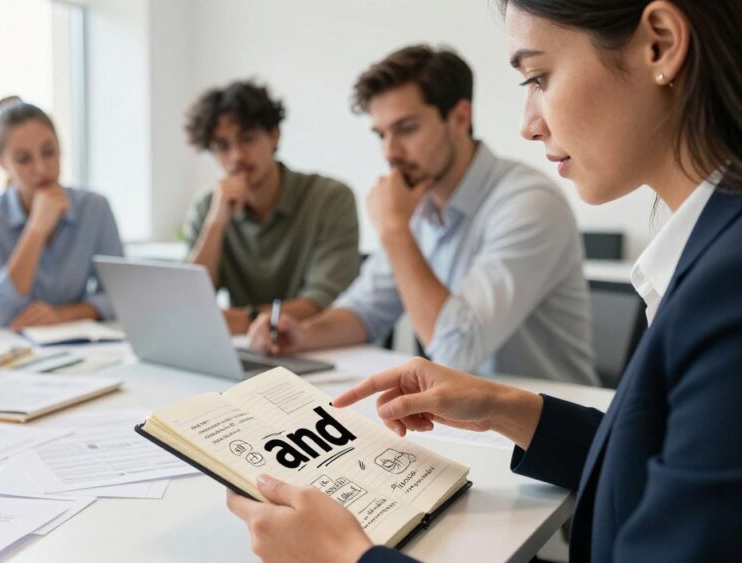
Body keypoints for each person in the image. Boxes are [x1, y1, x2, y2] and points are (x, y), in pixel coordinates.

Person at [228, 1, 742, 561]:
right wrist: (504, 406)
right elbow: (656, 446)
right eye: (381, 134)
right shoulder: (708, 245)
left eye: (539, 77)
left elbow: (453, 345)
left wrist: (347, 557)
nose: (527, 123)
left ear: (660, 45)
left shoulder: (720, 286)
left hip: (553, 515)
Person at [248, 45, 596, 385]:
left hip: (550, 425)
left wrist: (394, 228)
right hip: (464, 418)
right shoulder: (416, 200)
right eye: (382, 134)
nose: (390, 152)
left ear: (460, 117)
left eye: (407, 128)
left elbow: (455, 350)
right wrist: (302, 334)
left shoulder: (528, 201)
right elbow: (365, 312)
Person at [182, 80, 361, 334]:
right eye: (222, 147)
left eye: (247, 138)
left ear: (274, 135)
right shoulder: (207, 206)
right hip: (248, 347)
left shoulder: (330, 198)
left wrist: (244, 320)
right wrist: (216, 223)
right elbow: (190, 302)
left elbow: (327, 300)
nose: (237, 157)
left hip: (316, 344)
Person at [0, 97, 124, 329]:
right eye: (23, 159)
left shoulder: (94, 207)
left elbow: (120, 296)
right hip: (10, 350)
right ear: (2, 163)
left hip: (82, 346)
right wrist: (36, 230)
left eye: (49, 152)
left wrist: (64, 315)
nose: (41, 169)